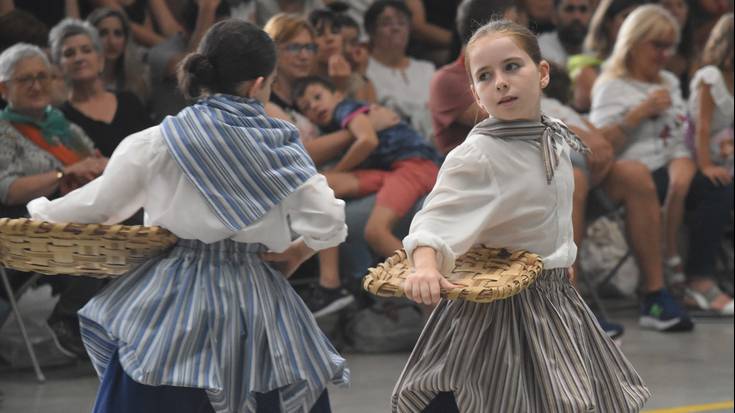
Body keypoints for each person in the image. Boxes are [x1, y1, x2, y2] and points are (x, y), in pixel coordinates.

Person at [27, 20, 348, 412]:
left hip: (171, 297)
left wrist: (40, 212)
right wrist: (299, 252)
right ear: (258, 83)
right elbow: (329, 221)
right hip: (255, 295)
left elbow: (99, 208)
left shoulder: (160, 140)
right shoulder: (281, 142)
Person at [392, 20, 650, 412]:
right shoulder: (477, 155)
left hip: (551, 300)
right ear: (477, 96)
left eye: (512, 67)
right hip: (493, 311)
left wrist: (562, 258)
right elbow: (433, 220)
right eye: (484, 76)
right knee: (482, 396)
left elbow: (552, 210)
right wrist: (425, 268)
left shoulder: (555, 136)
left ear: (543, 73)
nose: (500, 82)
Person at [590, 5, 731, 323]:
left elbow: (681, 132)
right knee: (667, 184)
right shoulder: (610, 85)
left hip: (675, 162)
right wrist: (637, 114)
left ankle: (699, 278)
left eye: (670, 47)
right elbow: (600, 148)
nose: (665, 55)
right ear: (633, 43)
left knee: (717, 186)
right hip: (636, 170)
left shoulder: (668, 80)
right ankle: (670, 275)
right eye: (657, 46)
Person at [0, 43, 107, 358]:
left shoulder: (63, 126)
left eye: (42, 77)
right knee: (97, 230)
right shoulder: (3, 131)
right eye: (25, 80)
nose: (36, 85)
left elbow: (92, 161)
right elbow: (6, 190)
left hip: (74, 214)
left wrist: (99, 166)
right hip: (24, 227)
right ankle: (69, 314)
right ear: (4, 88)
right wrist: (63, 175)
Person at [293, 75, 440, 259]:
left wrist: (338, 170)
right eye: (306, 107)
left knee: (375, 232)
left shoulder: (345, 108)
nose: (314, 106)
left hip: (417, 166)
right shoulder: (335, 126)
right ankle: (330, 282)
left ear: (338, 96)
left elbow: (367, 141)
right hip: (391, 171)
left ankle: (426, 280)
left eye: (317, 97)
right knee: (323, 183)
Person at [684, 13, 734, 314]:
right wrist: (704, 166)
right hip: (695, 153)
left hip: (721, 152)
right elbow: (702, 127)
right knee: (717, 186)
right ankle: (699, 279)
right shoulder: (711, 77)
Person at [50, 18, 152, 157]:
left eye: (86, 50)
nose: (79, 58)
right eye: (69, 54)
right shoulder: (60, 118)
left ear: (100, 60)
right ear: (59, 67)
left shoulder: (129, 101)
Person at [365, 0, 436, 140]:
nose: (395, 28)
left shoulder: (427, 69)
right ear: (371, 32)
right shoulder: (366, 72)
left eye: (402, 23)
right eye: (386, 23)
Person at [86, 7, 151, 106]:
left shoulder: (138, 80)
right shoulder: (81, 79)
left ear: (126, 40)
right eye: (103, 33)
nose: (111, 42)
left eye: (118, 34)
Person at [537, 0, 592, 67]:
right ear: (554, 16)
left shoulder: (598, 48)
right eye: (569, 9)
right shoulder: (540, 48)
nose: (577, 17)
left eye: (583, 10)